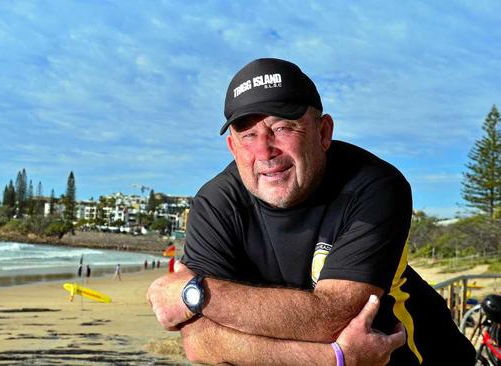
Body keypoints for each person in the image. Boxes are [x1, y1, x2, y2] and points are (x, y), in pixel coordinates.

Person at [147, 58, 475, 365]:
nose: (264, 150)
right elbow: (199, 341)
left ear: (323, 133)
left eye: (283, 128)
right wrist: (334, 358)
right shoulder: (216, 203)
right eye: (248, 135)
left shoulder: (374, 186)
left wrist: (195, 294)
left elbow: (332, 316)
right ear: (233, 147)